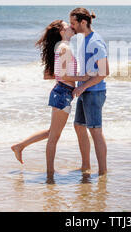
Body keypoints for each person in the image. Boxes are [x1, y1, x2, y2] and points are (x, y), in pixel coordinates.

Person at [11, 20, 90, 178]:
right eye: (67, 24)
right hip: (62, 93)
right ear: (61, 30)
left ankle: (20, 146)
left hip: (62, 92)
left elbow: (50, 74)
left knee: (51, 132)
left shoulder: (62, 47)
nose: (71, 26)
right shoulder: (64, 48)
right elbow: (64, 75)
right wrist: (85, 77)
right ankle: (50, 174)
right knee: (54, 136)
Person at [69, 8, 110, 176]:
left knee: (95, 131)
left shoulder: (95, 42)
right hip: (85, 91)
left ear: (83, 22)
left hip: (94, 92)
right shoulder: (83, 40)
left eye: (73, 23)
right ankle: (85, 165)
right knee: (79, 126)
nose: (71, 26)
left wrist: (82, 87)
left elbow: (104, 71)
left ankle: (102, 172)